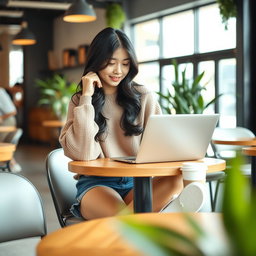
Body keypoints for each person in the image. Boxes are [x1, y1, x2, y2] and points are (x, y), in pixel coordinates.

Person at [59, 27, 206, 220]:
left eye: (125, 64)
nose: (118, 71)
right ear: (96, 61)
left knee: (176, 179)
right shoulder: (80, 101)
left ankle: (147, 218)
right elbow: (83, 153)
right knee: (125, 220)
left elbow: (163, 147)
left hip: (138, 182)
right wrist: (87, 97)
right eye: (111, 63)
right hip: (97, 185)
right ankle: (162, 215)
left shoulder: (144, 96)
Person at [0, 87, 22, 172]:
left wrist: (1, 117)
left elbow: (13, 111)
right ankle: (12, 165)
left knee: (3, 146)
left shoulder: (0, 92)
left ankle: (12, 165)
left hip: (6, 122)